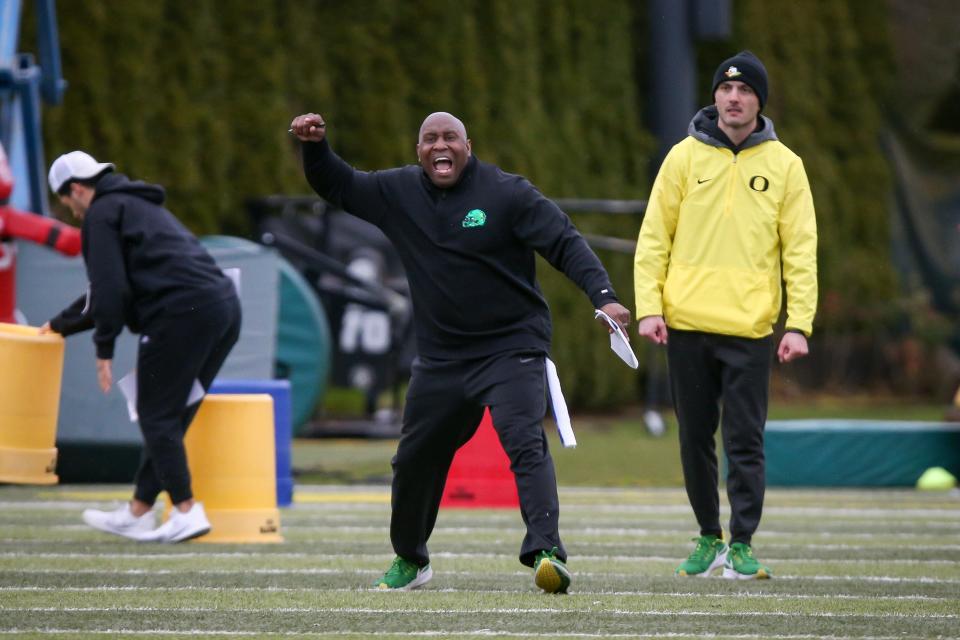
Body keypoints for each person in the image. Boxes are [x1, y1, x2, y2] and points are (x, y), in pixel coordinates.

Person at [291, 110, 632, 593]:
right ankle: (411, 558)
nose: (439, 146)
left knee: (522, 438)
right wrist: (315, 147)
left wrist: (604, 296)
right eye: (429, 139)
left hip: (511, 345)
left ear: (468, 146)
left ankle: (546, 552)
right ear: (419, 152)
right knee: (413, 460)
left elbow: (563, 242)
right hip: (442, 358)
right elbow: (339, 184)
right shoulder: (400, 192)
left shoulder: (506, 192)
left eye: (450, 137)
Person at [633, 51, 818, 579]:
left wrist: (799, 323)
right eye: (725, 89)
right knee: (694, 438)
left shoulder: (786, 166)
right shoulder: (682, 158)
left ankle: (742, 542)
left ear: (760, 101)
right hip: (686, 324)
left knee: (744, 440)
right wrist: (649, 308)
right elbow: (653, 239)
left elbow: (800, 250)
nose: (733, 98)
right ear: (714, 97)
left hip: (751, 328)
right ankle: (708, 537)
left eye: (744, 91)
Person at [41, 151, 242, 543]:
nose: (72, 212)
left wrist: (104, 351)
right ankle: (138, 510)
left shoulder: (100, 215)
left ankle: (186, 509)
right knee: (168, 413)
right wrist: (59, 325)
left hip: (181, 312)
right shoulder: (132, 204)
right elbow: (108, 290)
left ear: (78, 190)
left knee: (155, 413)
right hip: (223, 307)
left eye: (67, 202)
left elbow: (109, 290)